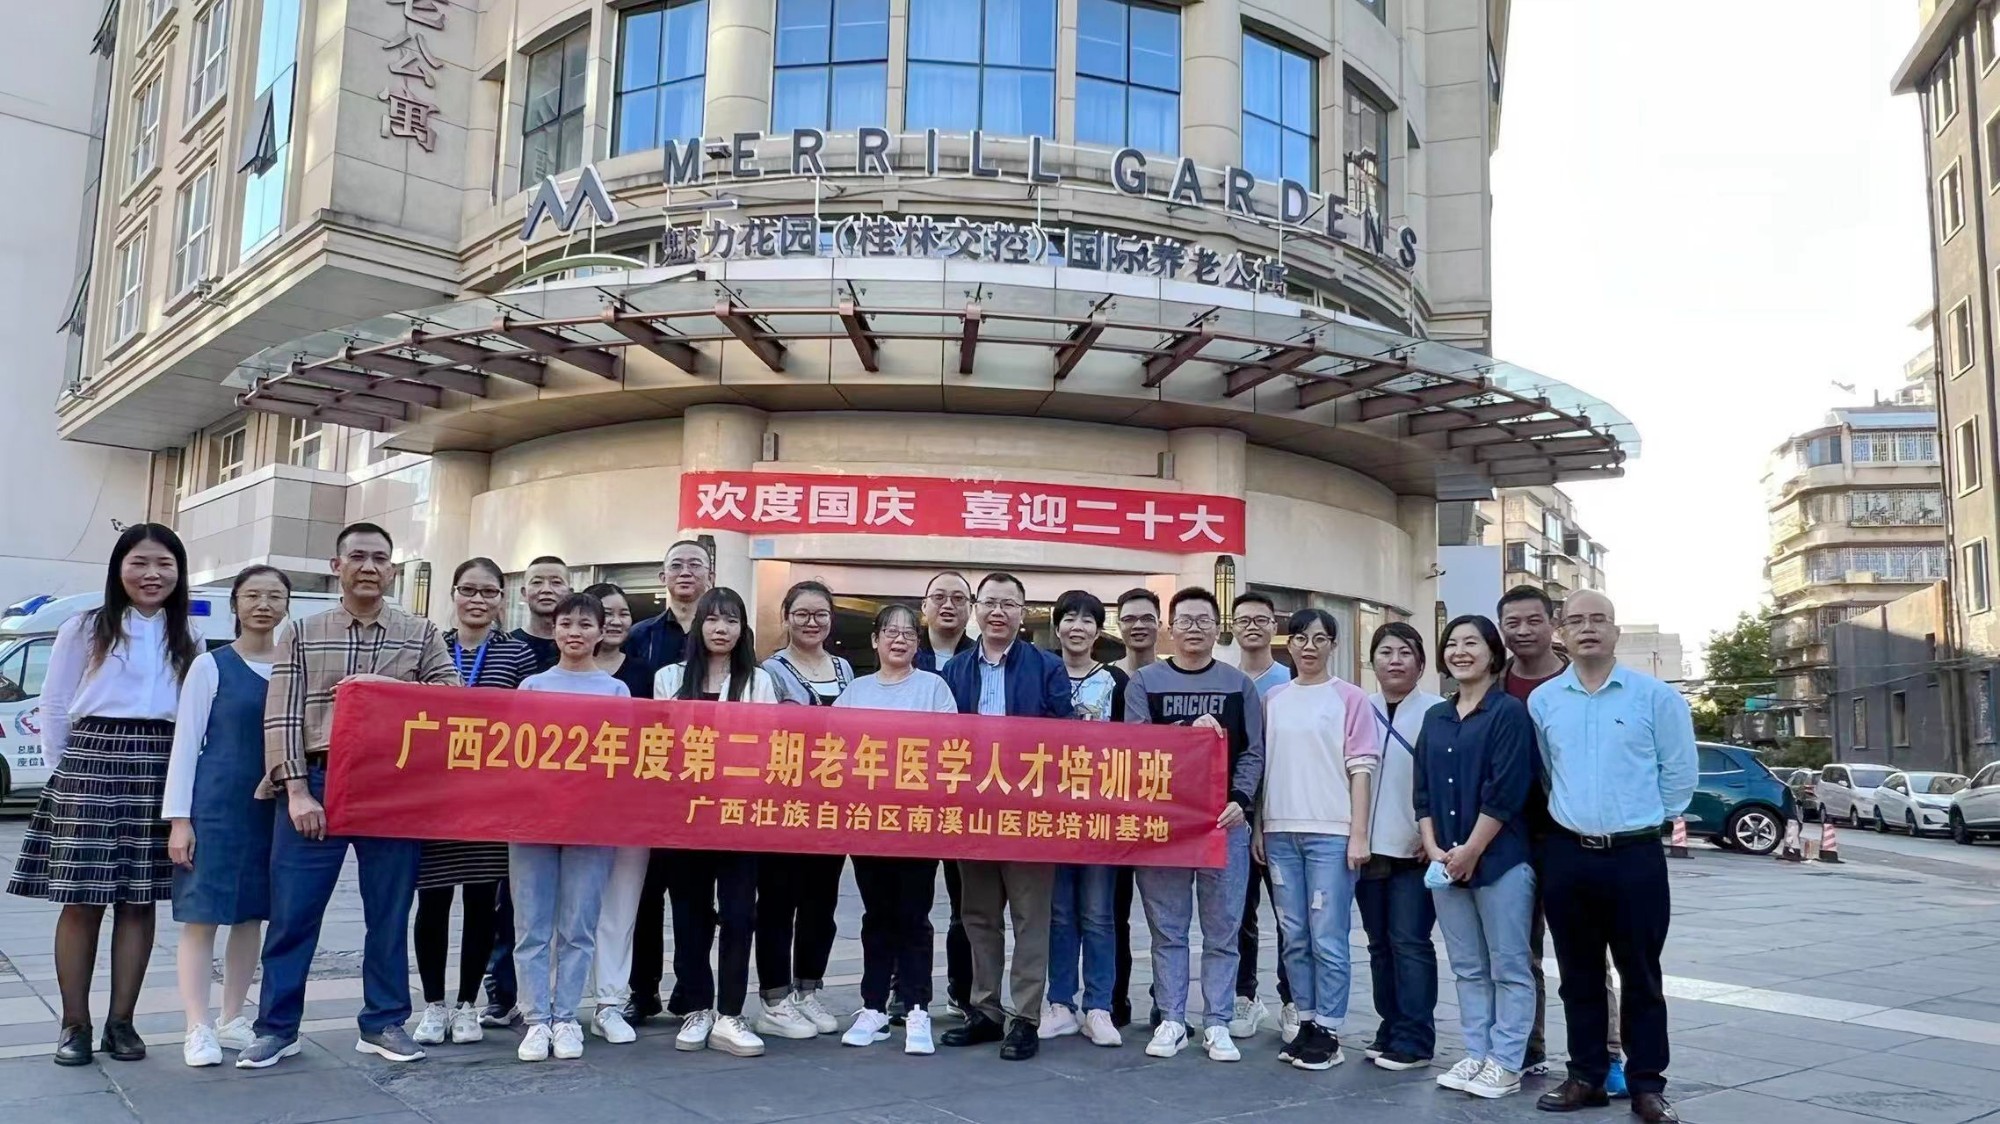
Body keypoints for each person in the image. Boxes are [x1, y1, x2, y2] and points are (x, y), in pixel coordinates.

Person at [238, 522, 461, 1069]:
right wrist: (296, 792)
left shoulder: (420, 632)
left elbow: (452, 698)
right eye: (357, 556)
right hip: (317, 779)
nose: (369, 566)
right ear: (337, 566)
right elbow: (282, 714)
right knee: (294, 912)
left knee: (389, 911)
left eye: (380, 558)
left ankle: (384, 1022)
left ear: (393, 569)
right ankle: (277, 1028)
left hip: (391, 786)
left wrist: (391, 689)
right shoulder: (303, 631)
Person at [9, 524, 199, 1066]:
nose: (152, 574)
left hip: (158, 761)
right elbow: (54, 703)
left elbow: (190, 714)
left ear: (178, 572)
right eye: (140, 562)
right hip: (90, 760)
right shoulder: (87, 626)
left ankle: (122, 1023)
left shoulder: (186, 633)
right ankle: (74, 1025)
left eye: (164, 564)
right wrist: (63, 771)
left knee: (139, 900)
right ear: (119, 568)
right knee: (82, 899)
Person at [1528, 591, 1696, 1124]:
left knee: (1641, 975)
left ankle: (1647, 1085)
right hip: (1569, 854)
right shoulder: (1544, 702)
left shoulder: (1656, 698)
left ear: (1616, 631)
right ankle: (1586, 1076)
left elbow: (1679, 774)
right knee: (1577, 975)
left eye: (1598, 619)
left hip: (1635, 856)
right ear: (1562, 633)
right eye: (1576, 620)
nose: (1588, 628)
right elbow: (1548, 773)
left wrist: (1643, 819)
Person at [937, 573, 1075, 1060]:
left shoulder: (1047, 667)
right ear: (977, 609)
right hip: (972, 812)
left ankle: (1025, 1017)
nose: (998, 612)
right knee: (978, 915)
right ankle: (985, 1010)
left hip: (1029, 812)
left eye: (1009, 604)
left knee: (1030, 916)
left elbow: (1065, 736)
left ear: (1023, 612)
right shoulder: (955, 669)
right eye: (990, 603)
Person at [1125, 588, 1265, 1063]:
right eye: (1184, 620)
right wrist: (1187, 732)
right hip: (1165, 825)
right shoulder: (1144, 682)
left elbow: (1253, 751)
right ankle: (1171, 1018)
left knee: (1223, 930)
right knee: (1168, 929)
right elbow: (1137, 746)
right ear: (1170, 627)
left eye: (1204, 620)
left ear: (1216, 626)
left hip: (1224, 823)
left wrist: (1240, 801)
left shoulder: (1238, 684)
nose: (1194, 628)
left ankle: (1218, 1022)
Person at [1499, 584, 1626, 1089]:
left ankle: (1607, 1056)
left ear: (1553, 624)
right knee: (1518, 951)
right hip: (1509, 836)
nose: (1523, 631)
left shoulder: (1581, 680)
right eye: (1512, 623)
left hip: (1571, 836)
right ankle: (1528, 1047)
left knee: (1588, 953)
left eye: (1534, 620)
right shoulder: (1492, 682)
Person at [163, 565, 291, 1067]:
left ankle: (233, 1016)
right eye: (253, 595)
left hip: (272, 811)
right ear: (235, 603)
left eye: (274, 596)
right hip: (215, 808)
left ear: (286, 606)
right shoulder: (210, 666)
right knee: (202, 915)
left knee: (251, 915)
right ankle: (197, 1025)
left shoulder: (292, 668)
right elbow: (185, 744)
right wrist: (180, 820)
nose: (263, 605)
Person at [412, 560, 539, 1046]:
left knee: (483, 903)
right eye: (469, 590)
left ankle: (467, 1004)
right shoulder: (430, 646)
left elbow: (532, 719)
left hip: (490, 798)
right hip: (435, 796)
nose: (478, 600)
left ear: (502, 599)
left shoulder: (517, 654)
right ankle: (433, 1004)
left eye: (489, 592)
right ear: (453, 593)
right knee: (433, 900)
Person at [654, 587, 780, 1057]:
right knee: (689, 914)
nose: (721, 629)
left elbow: (765, 746)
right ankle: (697, 1007)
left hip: (739, 813)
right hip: (684, 814)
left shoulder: (758, 682)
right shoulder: (669, 678)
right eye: (712, 619)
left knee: (739, 914)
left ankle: (730, 1012)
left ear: (742, 629)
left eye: (731, 620)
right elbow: (665, 744)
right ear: (698, 625)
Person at [1417, 614, 1536, 1101]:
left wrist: (1471, 850)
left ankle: (1506, 1062)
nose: (1460, 651)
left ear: (1492, 653)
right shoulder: (1436, 717)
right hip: (1446, 862)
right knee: (1467, 966)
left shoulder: (1508, 713)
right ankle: (1476, 1051)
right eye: (1452, 643)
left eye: (1471, 643)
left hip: (1500, 860)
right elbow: (1422, 791)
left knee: (1509, 966)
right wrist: (1433, 848)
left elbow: (1506, 791)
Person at [1256, 608, 1377, 1071]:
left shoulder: (1350, 698)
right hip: (1280, 832)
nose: (1310, 647)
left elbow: (1361, 769)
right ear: (1289, 644)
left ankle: (1329, 1028)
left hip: (1331, 833)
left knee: (1328, 936)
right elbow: (1264, 766)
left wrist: (1358, 835)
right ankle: (1305, 1020)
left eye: (1320, 639)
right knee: (1293, 935)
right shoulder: (1274, 700)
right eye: (1302, 638)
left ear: (1333, 645)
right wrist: (1261, 826)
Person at [836, 603, 959, 1055]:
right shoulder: (856, 691)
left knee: (913, 916)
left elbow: (949, 751)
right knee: (876, 916)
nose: (899, 639)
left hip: (917, 823)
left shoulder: (934, 688)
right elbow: (836, 750)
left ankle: (917, 1007)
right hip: (868, 822)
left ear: (917, 643)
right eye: (890, 631)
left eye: (908, 633)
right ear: (875, 640)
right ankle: (873, 1007)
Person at [511, 592, 627, 1063]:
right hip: (532, 820)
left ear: (601, 632)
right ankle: (536, 1019)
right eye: (566, 623)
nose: (574, 632)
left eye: (584, 624)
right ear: (553, 629)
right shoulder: (532, 686)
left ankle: (566, 1017)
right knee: (531, 925)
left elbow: (625, 758)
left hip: (592, 822)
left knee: (579, 927)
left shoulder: (616, 692)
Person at [755, 580, 854, 1039]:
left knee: (821, 901)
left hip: (832, 805)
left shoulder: (844, 668)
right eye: (802, 614)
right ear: (787, 617)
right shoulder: (770, 672)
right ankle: (774, 998)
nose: (812, 623)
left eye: (820, 614)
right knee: (778, 901)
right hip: (785, 803)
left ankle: (807, 989)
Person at [622, 539, 712, 1025]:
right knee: (646, 893)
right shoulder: (641, 635)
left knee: (695, 896)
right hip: (648, 782)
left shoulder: (725, 631)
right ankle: (643, 991)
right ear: (663, 578)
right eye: (676, 565)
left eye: (695, 564)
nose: (685, 572)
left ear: (710, 576)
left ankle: (692, 991)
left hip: (703, 785)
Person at [1042, 589, 1127, 1048]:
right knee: (1058, 914)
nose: (1077, 627)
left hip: (1100, 815)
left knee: (1097, 914)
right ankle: (1059, 1004)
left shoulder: (1115, 680)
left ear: (1098, 630)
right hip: (1050, 815)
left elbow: (1138, 743)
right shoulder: (1041, 673)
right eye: (1069, 618)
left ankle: (1098, 1007)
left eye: (1087, 620)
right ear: (1057, 626)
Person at [1357, 622, 1442, 1073]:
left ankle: (1415, 1037)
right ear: (1372, 661)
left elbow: (1448, 780)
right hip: (1366, 849)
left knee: (1410, 941)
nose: (1394, 660)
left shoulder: (1438, 712)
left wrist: (1435, 836)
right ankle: (1389, 1026)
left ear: (1421, 663)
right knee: (1378, 944)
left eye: (1405, 652)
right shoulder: (1358, 708)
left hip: (1415, 849)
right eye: (1385, 652)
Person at [583, 581, 654, 1045]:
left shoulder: (646, 673)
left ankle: (610, 1001)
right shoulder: (551, 675)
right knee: (566, 912)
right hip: (572, 810)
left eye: (623, 613)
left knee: (620, 909)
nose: (615, 620)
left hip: (630, 809)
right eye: (604, 613)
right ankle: (554, 1004)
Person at [1228, 590, 1295, 1043]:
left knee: (1289, 915)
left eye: (1261, 619)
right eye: (1244, 619)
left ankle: (1293, 999)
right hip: (1235, 815)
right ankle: (1244, 995)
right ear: (1232, 627)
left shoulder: (1292, 681)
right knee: (1238, 913)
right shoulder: (1224, 680)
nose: (1252, 626)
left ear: (1275, 626)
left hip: (1285, 815)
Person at [914, 569, 976, 1020]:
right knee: (909, 901)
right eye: (939, 597)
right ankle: (905, 990)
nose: (948, 605)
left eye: (958, 598)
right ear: (924, 607)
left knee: (966, 905)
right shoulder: (903, 651)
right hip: (911, 797)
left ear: (970, 608)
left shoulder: (984, 658)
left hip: (964, 799)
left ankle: (963, 991)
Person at [1110, 587, 1162, 1029]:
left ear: (1159, 624)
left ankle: (1167, 1000)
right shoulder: (1105, 680)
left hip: (1164, 817)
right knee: (1114, 914)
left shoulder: (1172, 676)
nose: (1138, 626)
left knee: (1167, 917)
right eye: (1129, 618)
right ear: (1118, 625)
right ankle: (1115, 1000)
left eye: (1147, 618)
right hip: (1114, 817)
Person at [512, 557, 570, 674]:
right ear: (524, 593)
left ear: (570, 592)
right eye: (537, 582)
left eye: (556, 582)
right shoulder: (506, 645)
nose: (546, 590)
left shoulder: (579, 645)